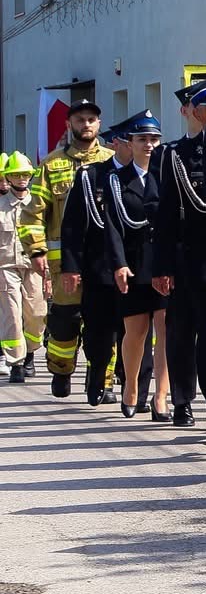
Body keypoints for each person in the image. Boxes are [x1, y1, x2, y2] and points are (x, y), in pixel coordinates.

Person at [151, 77, 206, 440]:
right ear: (197, 113)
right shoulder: (173, 155)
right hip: (190, 255)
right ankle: (184, 399)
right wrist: (161, 265)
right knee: (185, 331)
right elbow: (166, 213)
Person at [26, 99, 112, 398]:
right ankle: (61, 370)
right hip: (64, 264)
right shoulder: (51, 164)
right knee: (65, 323)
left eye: (91, 119)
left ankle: (102, 378)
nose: (86, 124)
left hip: (104, 261)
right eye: (80, 120)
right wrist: (36, 251)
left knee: (105, 322)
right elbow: (33, 213)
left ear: (98, 124)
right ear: (69, 124)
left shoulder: (112, 161)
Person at [101, 111, 167, 421]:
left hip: (164, 264)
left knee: (165, 329)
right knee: (136, 331)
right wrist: (119, 264)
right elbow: (113, 226)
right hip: (134, 264)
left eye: (154, 139)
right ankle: (130, 387)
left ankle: (161, 397)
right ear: (130, 142)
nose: (149, 145)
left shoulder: (166, 174)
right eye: (142, 139)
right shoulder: (117, 180)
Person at [59, 118, 125, 409]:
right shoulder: (92, 175)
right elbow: (72, 227)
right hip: (99, 267)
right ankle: (97, 372)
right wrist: (71, 267)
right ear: (117, 143)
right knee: (99, 330)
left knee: (133, 331)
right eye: (132, 140)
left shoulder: (150, 174)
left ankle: (130, 384)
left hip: (138, 268)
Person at [0, 152, 43, 382]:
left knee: (36, 314)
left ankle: (30, 353)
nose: (21, 179)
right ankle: (16, 362)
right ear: (9, 177)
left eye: (25, 174)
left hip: (34, 266)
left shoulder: (36, 204)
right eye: (16, 175)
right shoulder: (0, 205)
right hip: (5, 267)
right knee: (12, 316)